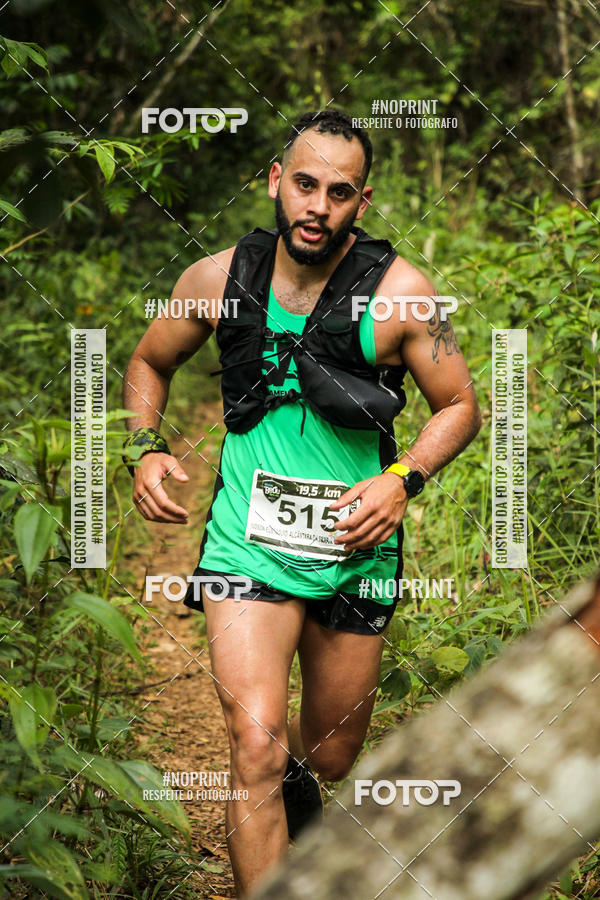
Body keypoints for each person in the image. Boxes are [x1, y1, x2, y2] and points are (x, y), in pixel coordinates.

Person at [122, 109, 482, 897]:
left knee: (328, 757)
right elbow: (148, 364)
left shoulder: (403, 294)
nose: (318, 206)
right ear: (277, 182)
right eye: (306, 184)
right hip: (245, 544)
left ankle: (298, 785)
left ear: (363, 201)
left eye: (341, 192)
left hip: (356, 550)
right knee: (253, 746)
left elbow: (460, 406)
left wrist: (402, 479)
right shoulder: (215, 279)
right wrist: (144, 449)